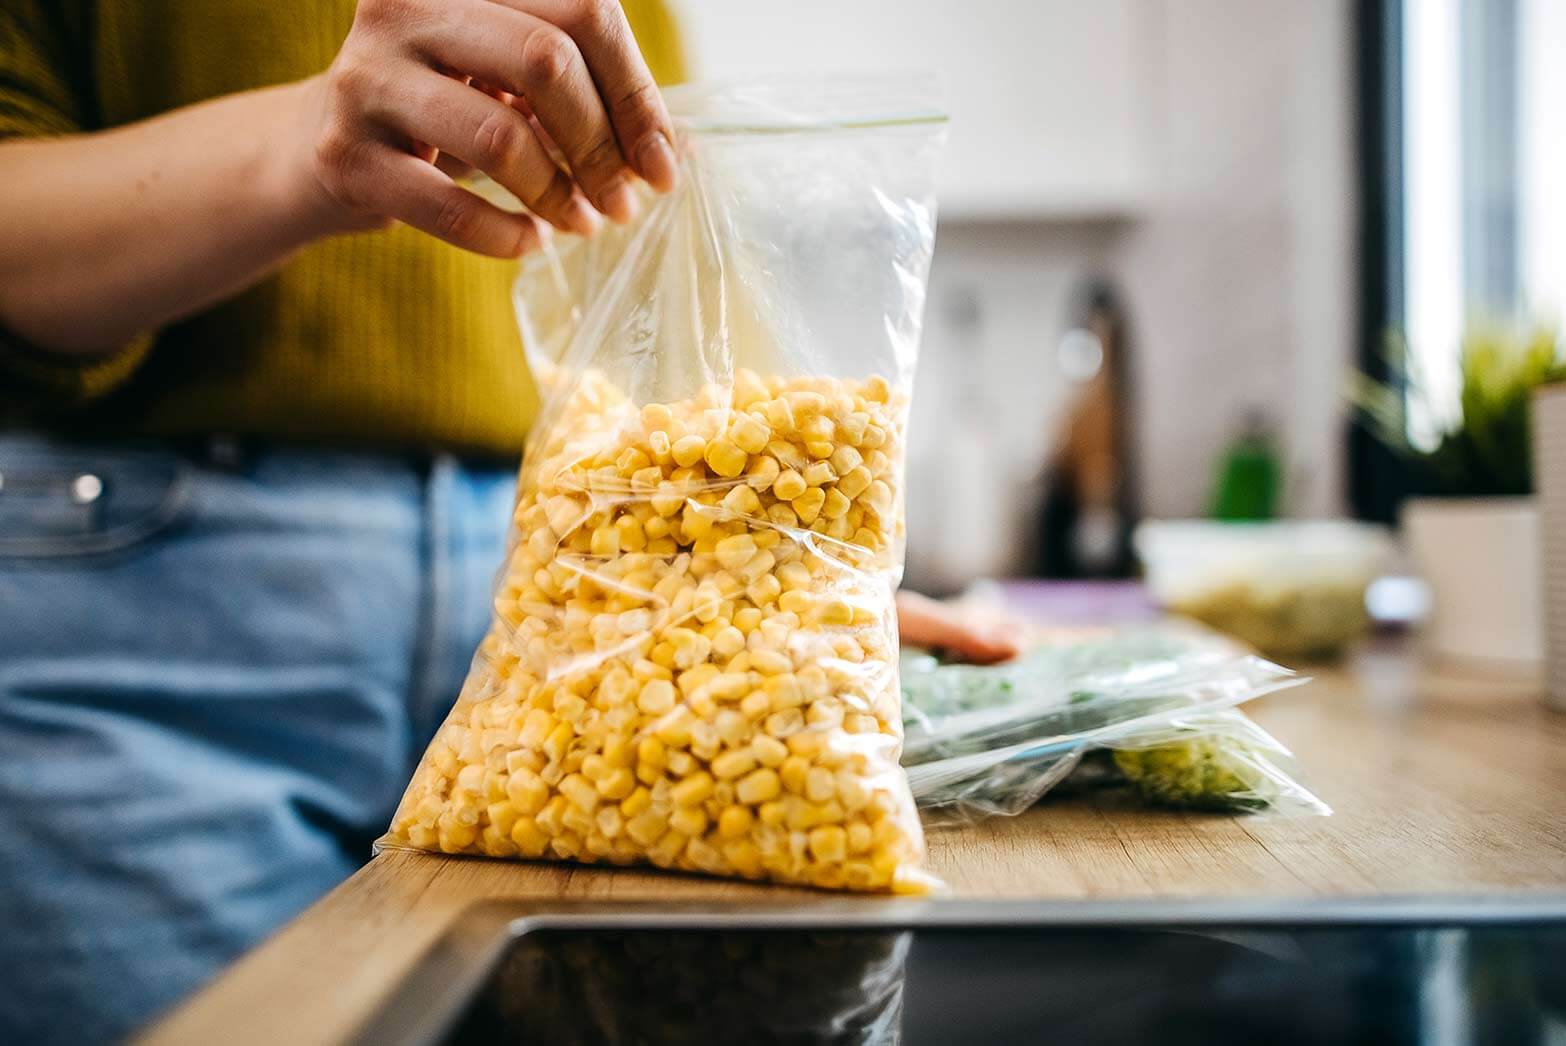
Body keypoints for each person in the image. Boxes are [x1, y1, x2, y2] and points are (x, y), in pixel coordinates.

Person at [0, 2, 1019, 1040]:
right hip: (148, 639)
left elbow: (652, 258)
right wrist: (308, 143)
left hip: (565, 603)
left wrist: (767, 580)